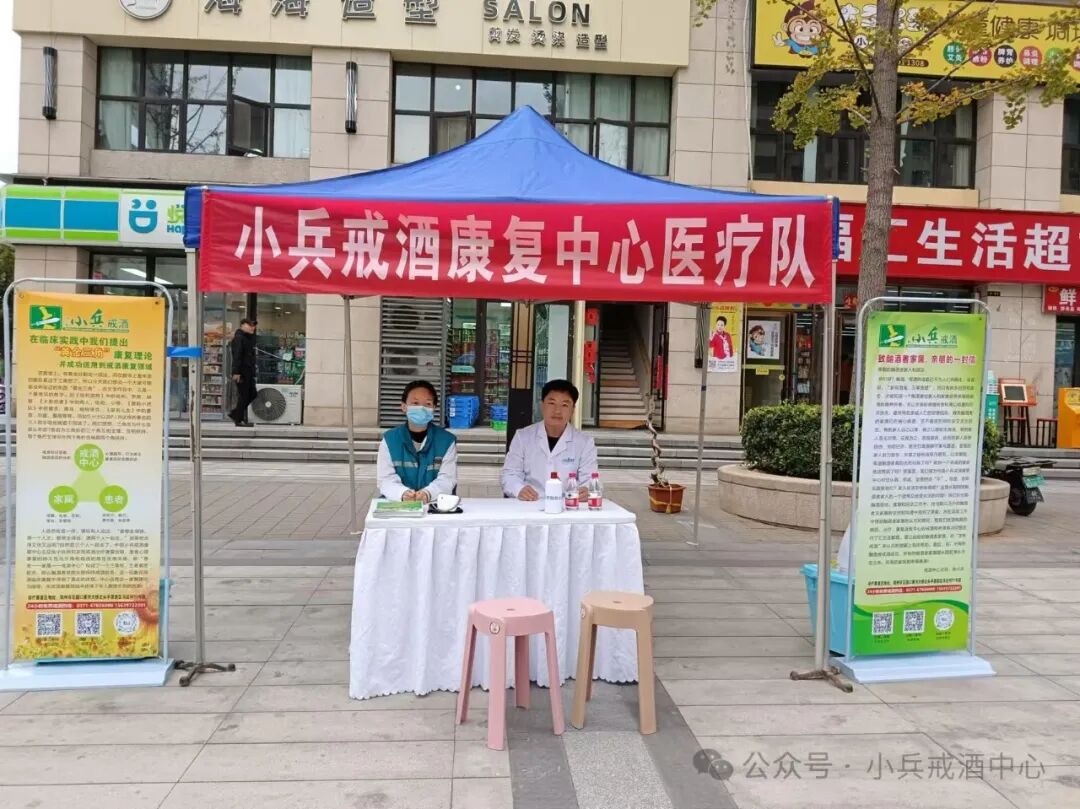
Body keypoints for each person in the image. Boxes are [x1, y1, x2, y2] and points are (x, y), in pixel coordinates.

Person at [501, 379, 598, 501]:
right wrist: (519, 489)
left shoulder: (585, 442)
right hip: (530, 504)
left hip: (567, 506)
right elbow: (510, 474)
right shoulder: (523, 437)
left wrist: (587, 490)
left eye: (564, 405)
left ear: (573, 410)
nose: (557, 411)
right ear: (542, 405)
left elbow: (590, 479)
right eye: (552, 403)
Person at [377, 380, 458, 502]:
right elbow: (385, 479)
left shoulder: (446, 441)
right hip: (399, 504)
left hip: (434, 503)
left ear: (434, 408)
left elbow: (447, 478)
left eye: (428, 404)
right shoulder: (390, 440)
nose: (421, 408)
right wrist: (402, 493)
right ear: (404, 407)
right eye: (415, 403)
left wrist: (428, 493)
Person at [228, 318, 258, 427]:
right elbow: (237, 355)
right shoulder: (239, 338)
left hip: (248, 371)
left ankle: (236, 414)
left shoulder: (247, 338)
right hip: (242, 371)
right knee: (244, 395)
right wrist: (236, 372)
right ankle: (238, 418)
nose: (252, 327)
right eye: (249, 325)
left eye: (253, 326)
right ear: (242, 325)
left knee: (252, 394)